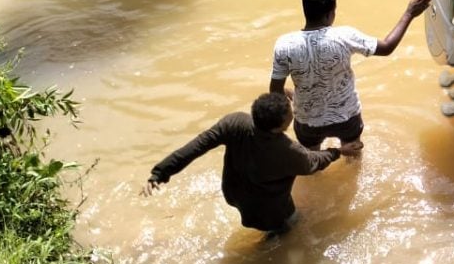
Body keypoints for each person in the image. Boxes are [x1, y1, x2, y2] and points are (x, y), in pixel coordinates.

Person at [141, 93, 361, 234]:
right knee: (292, 227)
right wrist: (339, 150)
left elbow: (196, 147)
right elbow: (315, 161)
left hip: (233, 193)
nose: (293, 112)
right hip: (270, 208)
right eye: (290, 113)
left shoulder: (235, 122)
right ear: (280, 126)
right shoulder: (288, 151)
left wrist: (160, 172)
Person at [269, 0, 430, 150]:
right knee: (352, 154)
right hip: (346, 117)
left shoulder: (285, 44)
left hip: (307, 122)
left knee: (313, 161)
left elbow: (275, 91)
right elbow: (387, 47)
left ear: (306, 11)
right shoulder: (343, 36)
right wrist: (409, 13)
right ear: (329, 14)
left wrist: (291, 96)